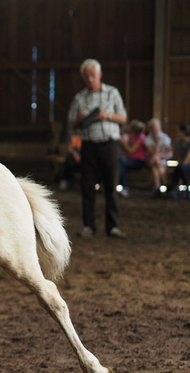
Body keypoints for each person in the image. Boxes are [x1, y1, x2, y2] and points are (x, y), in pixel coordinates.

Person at [68, 58, 127, 238]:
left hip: (109, 145)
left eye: (92, 75)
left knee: (111, 186)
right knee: (87, 187)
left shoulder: (112, 93)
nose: (90, 79)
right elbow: (73, 124)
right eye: (86, 76)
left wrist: (106, 115)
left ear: (99, 75)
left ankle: (112, 226)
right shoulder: (79, 98)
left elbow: (123, 118)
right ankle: (89, 226)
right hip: (89, 146)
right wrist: (80, 118)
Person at [118, 120, 147, 198]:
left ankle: (123, 188)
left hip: (139, 160)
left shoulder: (141, 137)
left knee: (121, 164)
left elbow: (131, 151)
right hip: (129, 159)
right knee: (119, 163)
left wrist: (123, 143)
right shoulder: (129, 136)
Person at [168, 123, 190, 199]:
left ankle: (173, 189)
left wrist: (181, 165)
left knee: (179, 169)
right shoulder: (178, 142)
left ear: (183, 132)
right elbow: (171, 149)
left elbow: (187, 160)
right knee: (179, 169)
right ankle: (187, 191)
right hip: (181, 166)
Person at [144, 118, 173, 197]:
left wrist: (160, 156)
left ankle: (157, 188)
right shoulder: (148, 139)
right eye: (153, 128)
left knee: (155, 165)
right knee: (156, 163)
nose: (156, 130)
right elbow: (153, 153)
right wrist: (157, 143)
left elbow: (169, 150)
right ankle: (166, 185)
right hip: (154, 159)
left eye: (157, 128)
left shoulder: (165, 137)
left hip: (162, 158)